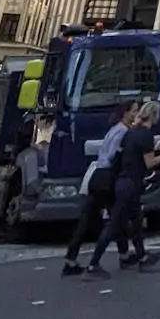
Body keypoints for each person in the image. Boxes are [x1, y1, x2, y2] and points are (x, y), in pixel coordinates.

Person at [89, 99, 160, 275]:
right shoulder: (146, 136)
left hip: (123, 182)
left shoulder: (131, 133)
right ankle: (93, 264)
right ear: (154, 116)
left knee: (137, 221)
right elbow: (150, 163)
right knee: (114, 225)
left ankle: (141, 257)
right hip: (131, 184)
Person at [64, 103, 135, 276]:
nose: (137, 114)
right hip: (108, 176)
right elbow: (112, 155)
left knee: (91, 216)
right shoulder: (122, 132)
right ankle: (118, 256)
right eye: (134, 110)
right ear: (125, 113)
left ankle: (71, 258)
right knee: (116, 217)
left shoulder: (113, 129)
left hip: (98, 174)